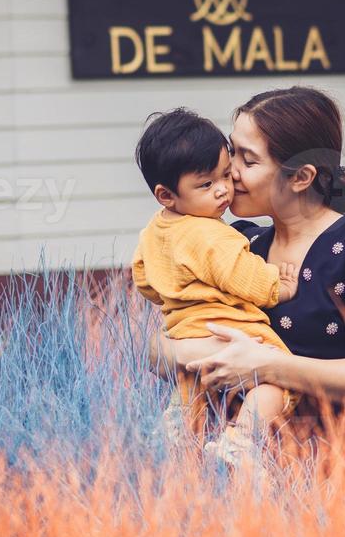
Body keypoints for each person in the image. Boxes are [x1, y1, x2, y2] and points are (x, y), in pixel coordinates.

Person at [149, 85, 345, 469]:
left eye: (249, 160)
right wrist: (196, 353)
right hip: (209, 470)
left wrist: (266, 365)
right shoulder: (239, 243)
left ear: (301, 177)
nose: (228, 171)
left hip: (317, 475)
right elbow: (159, 345)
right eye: (232, 150)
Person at [130, 108, 304, 468]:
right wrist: (279, 286)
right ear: (166, 194)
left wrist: (177, 290)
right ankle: (241, 441)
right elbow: (245, 278)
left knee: (193, 389)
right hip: (231, 330)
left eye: (226, 174)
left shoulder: (154, 231)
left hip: (184, 332)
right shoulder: (214, 235)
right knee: (277, 381)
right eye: (206, 184)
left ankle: (180, 426)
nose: (224, 189)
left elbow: (144, 280)